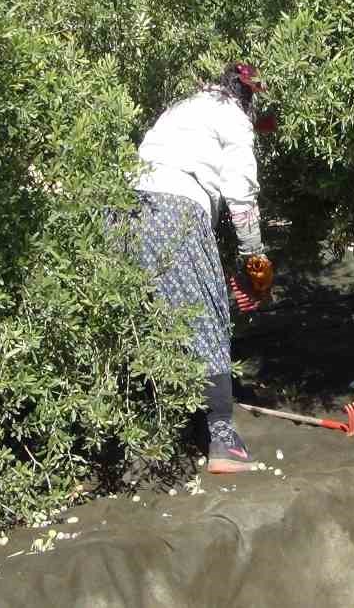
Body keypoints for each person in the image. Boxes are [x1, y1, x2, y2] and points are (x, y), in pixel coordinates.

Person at [129, 62, 275, 474]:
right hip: (176, 212)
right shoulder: (233, 117)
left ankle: (146, 433)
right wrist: (254, 257)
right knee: (207, 316)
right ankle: (222, 438)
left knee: (147, 319)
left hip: (124, 210)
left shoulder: (181, 109)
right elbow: (241, 193)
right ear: (248, 99)